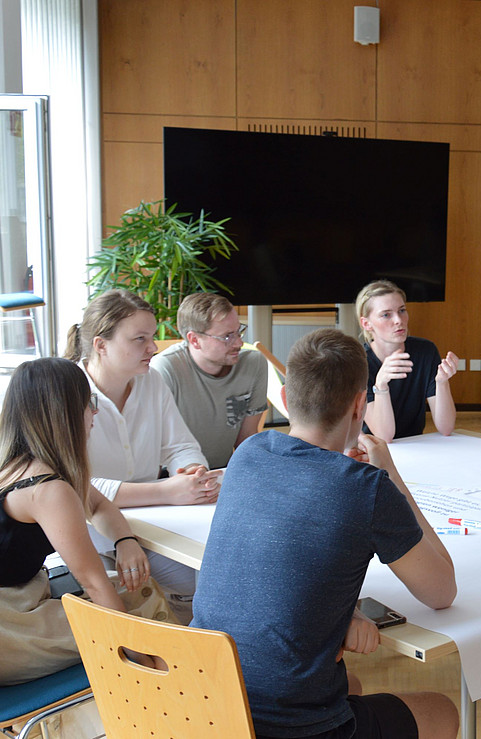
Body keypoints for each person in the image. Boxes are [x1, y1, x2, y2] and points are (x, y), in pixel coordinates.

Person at [192, 328, 458, 739]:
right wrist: (390, 475)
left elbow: (273, 566)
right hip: (286, 726)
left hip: (205, 701)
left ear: (285, 399)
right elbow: (442, 592)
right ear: (359, 406)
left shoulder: (248, 454)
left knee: (351, 685)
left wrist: (346, 612)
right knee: (442, 712)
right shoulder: (366, 488)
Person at [0, 358, 152, 686]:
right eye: (88, 402)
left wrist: (125, 541)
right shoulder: (47, 490)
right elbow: (94, 583)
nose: (95, 412)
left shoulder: (0, 460)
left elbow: (98, 504)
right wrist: (145, 662)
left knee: (134, 594)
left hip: (12, 601)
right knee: (141, 605)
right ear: (65, 414)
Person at [66, 289, 220, 620]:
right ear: (101, 345)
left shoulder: (151, 381)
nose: (153, 347)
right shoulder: (67, 392)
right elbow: (74, 487)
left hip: (154, 521)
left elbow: (179, 446)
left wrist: (191, 472)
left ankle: (191, 644)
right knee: (199, 578)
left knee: (211, 573)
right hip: (91, 530)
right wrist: (165, 492)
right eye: (140, 339)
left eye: (152, 337)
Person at [150, 292, 269, 469]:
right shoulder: (165, 368)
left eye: (239, 332)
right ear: (194, 340)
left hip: (223, 472)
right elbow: (156, 444)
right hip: (175, 475)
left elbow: (246, 439)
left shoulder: (254, 363)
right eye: (227, 336)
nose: (238, 343)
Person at [356, 280, 458, 442]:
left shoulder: (426, 351)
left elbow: (446, 428)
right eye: (386, 314)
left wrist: (442, 383)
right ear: (366, 324)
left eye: (402, 310)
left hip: (415, 446)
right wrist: (381, 385)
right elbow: (385, 437)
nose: (398, 320)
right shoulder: (358, 362)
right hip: (373, 448)